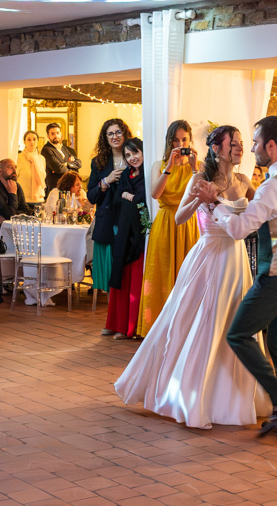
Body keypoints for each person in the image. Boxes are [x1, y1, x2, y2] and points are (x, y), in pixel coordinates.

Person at [115, 125, 269, 428]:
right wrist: (202, 199)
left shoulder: (243, 181)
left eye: (241, 143)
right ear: (217, 148)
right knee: (202, 322)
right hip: (209, 257)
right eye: (234, 144)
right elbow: (178, 216)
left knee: (234, 322)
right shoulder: (199, 179)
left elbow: (261, 212)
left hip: (236, 260)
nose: (239, 148)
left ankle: (233, 397)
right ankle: (192, 395)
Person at [210, 115, 277, 438]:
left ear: (270, 146)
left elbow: (240, 229)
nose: (252, 149)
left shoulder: (272, 185)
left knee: (239, 334)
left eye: (255, 143)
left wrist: (215, 207)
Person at [137, 121, 201, 336]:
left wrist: (194, 168)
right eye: (176, 140)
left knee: (188, 275)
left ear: (190, 141)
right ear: (169, 142)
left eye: (184, 140)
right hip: (165, 223)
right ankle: (158, 328)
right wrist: (169, 167)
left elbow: (201, 193)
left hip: (189, 223)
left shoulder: (199, 166)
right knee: (161, 274)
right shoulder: (159, 164)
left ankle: (185, 328)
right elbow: (155, 194)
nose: (180, 144)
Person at [86, 118, 133, 314]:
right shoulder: (98, 163)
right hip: (107, 222)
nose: (115, 137)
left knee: (127, 269)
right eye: (110, 134)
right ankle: (112, 312)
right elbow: (91, 196)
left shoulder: (134, 157)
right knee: (108, 272)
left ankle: (126, 310)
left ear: (125, 134)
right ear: (105, 138)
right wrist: (106, 181)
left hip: (129, 220)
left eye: (118, 132)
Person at [105, 139, 148, 340]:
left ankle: (132, 326)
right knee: (121, 277)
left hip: (139, 234)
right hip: (123, 233)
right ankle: (117, 324)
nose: (132, 158)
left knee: (136, 279)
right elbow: (117, 199)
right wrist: (130, 198)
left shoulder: (149, 174)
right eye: (128, 155)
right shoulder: (125, 175)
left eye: (135, 153)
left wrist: (128, 196)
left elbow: (143, 200)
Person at [42, 122, 79, 194]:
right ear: (48, 136)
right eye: (52, 134)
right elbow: (59, 168)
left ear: (61, 134)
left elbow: (79, 163)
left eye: (57, 133)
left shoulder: (64, 148)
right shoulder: (46, 149)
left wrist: (67, 164)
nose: (56, 136)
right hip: (55, 188)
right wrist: (72, 168)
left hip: (68, 187)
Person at [17, 130, 47, 208]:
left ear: (37, 142)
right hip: (24, 200)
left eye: (34, 139)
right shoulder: (18, 158)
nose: (32, 142)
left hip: (39, 200)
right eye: (29, 139)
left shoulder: (41, 159)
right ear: (24, 142)